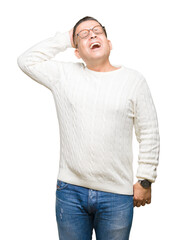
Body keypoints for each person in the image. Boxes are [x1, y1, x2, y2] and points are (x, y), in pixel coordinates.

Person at [17, 16, 160, 240]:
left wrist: (145, 179)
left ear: (109, 43)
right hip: (70, 192)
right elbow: (27, 60)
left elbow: (149, 133)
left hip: (117, 196)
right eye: (82, 35)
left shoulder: (133, 80)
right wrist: (67, 36)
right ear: (76, 51)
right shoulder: (64, 76)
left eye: (97, 31)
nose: (92, 35)